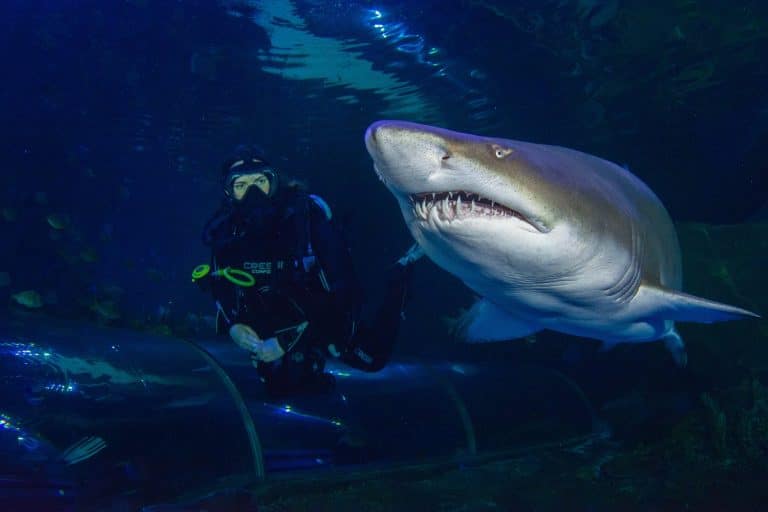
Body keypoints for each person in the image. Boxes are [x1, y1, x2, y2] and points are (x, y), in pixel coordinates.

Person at [195, 146, 422, 397]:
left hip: (321, 313)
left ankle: (400, 279)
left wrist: (287, 340)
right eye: (241, 185)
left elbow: (343, 291)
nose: (253, 193)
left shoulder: (306, 217)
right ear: (229, 193)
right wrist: (233, 326)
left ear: (274, 183)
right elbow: (220, 283)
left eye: (261, 181)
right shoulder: (225, 230)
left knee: (371, 359)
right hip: (274, 315)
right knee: (277, 384)